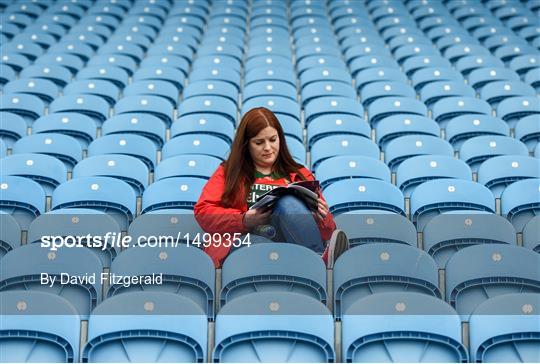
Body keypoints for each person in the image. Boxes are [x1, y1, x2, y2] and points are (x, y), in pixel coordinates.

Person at [194, 107, 348, 268]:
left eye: (273, 140)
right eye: (259, 142)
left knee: (289, 202)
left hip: (291, 239)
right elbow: (203, 212)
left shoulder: (300, 174)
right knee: (260, 246)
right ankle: (314, 264)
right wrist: (243, 220)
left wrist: (320, 218)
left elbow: (327, 231)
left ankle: (317, 260)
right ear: (246, 145)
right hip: (245, 240)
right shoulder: (228, 173)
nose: (268, 147)